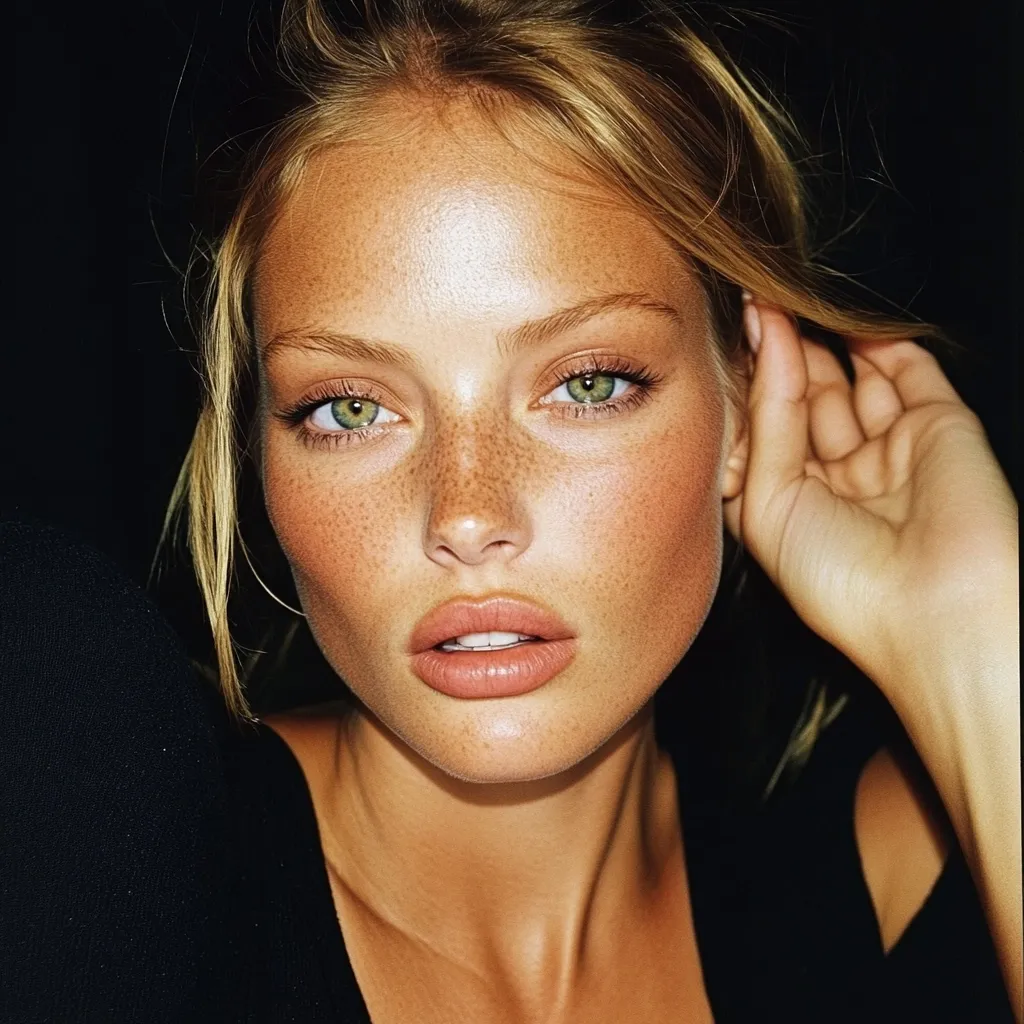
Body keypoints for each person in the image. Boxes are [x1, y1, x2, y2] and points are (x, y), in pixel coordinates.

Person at [2, 0, 1018, 1021]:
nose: (467, 513)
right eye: (351, 409)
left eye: (586, 384)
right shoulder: (82, 847)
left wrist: (977, 636)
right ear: (258, 451)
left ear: (749, 409)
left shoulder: (901, 879)